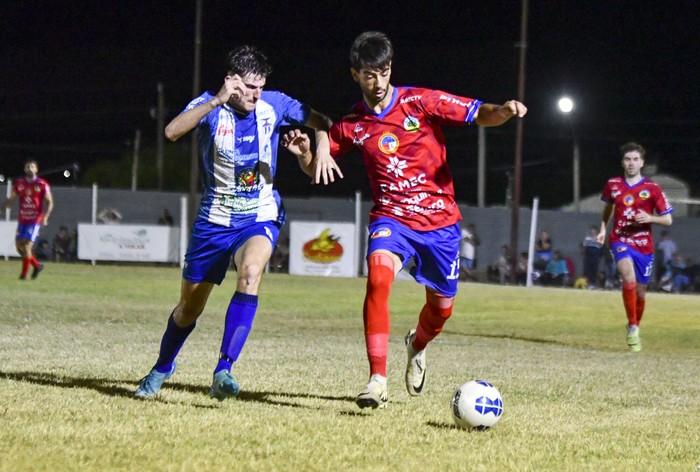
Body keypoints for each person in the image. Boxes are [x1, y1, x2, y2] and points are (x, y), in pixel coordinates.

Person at [287, 31, 526, 409]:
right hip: (391, 219)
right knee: (378, 277)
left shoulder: (419, 102)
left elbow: (480, 112)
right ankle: (377, 379)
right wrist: (306, 153)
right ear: (355, 75)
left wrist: (505, 111)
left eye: (383, 72)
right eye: (368, 75)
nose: (377, 82)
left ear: (391, 69)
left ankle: (417, 344)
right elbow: (318, 163)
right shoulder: (353, 123)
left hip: (440, 223)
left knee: (442, 309)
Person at [133, 45, 341, 400]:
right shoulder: (209, 107)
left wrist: (317, 149)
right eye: (248, 86)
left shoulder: (273, 104)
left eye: (260, 86)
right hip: (214, 221)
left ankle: (223, 370)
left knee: (250, 274)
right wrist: (215, 101)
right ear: (231, 81)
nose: (255, 94)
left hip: (259, 214)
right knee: (188, 309)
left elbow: (322, 121)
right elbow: (171, 132)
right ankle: (163, 366)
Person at [597, 142, 672, 352]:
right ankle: (632, 327)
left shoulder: (652, 188)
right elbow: (608, 208)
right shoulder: (613, 184)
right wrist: (604, 228)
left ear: (642, 163)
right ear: (622, 162)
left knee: (640, 292)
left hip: (644, 246)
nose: (631, 163)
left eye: (635, 159)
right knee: (628, 278)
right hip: (620, 240)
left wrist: (650, 217)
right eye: (628, 159)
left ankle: (635, 324)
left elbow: (668, 220)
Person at [0, 160, 54, 280]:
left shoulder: (41, 184)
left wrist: (45, 217)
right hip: (22, 219)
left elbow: (49, 202)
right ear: (25, 169)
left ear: (36, 169)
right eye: (27, 167)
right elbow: (11, 199)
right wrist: (2, 208)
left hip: (35, 220)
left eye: (32, 166)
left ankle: (23, 275)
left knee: (27, 246)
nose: (30, 168)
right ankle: (37, 265)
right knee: (19, 247)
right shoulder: (19, 183)